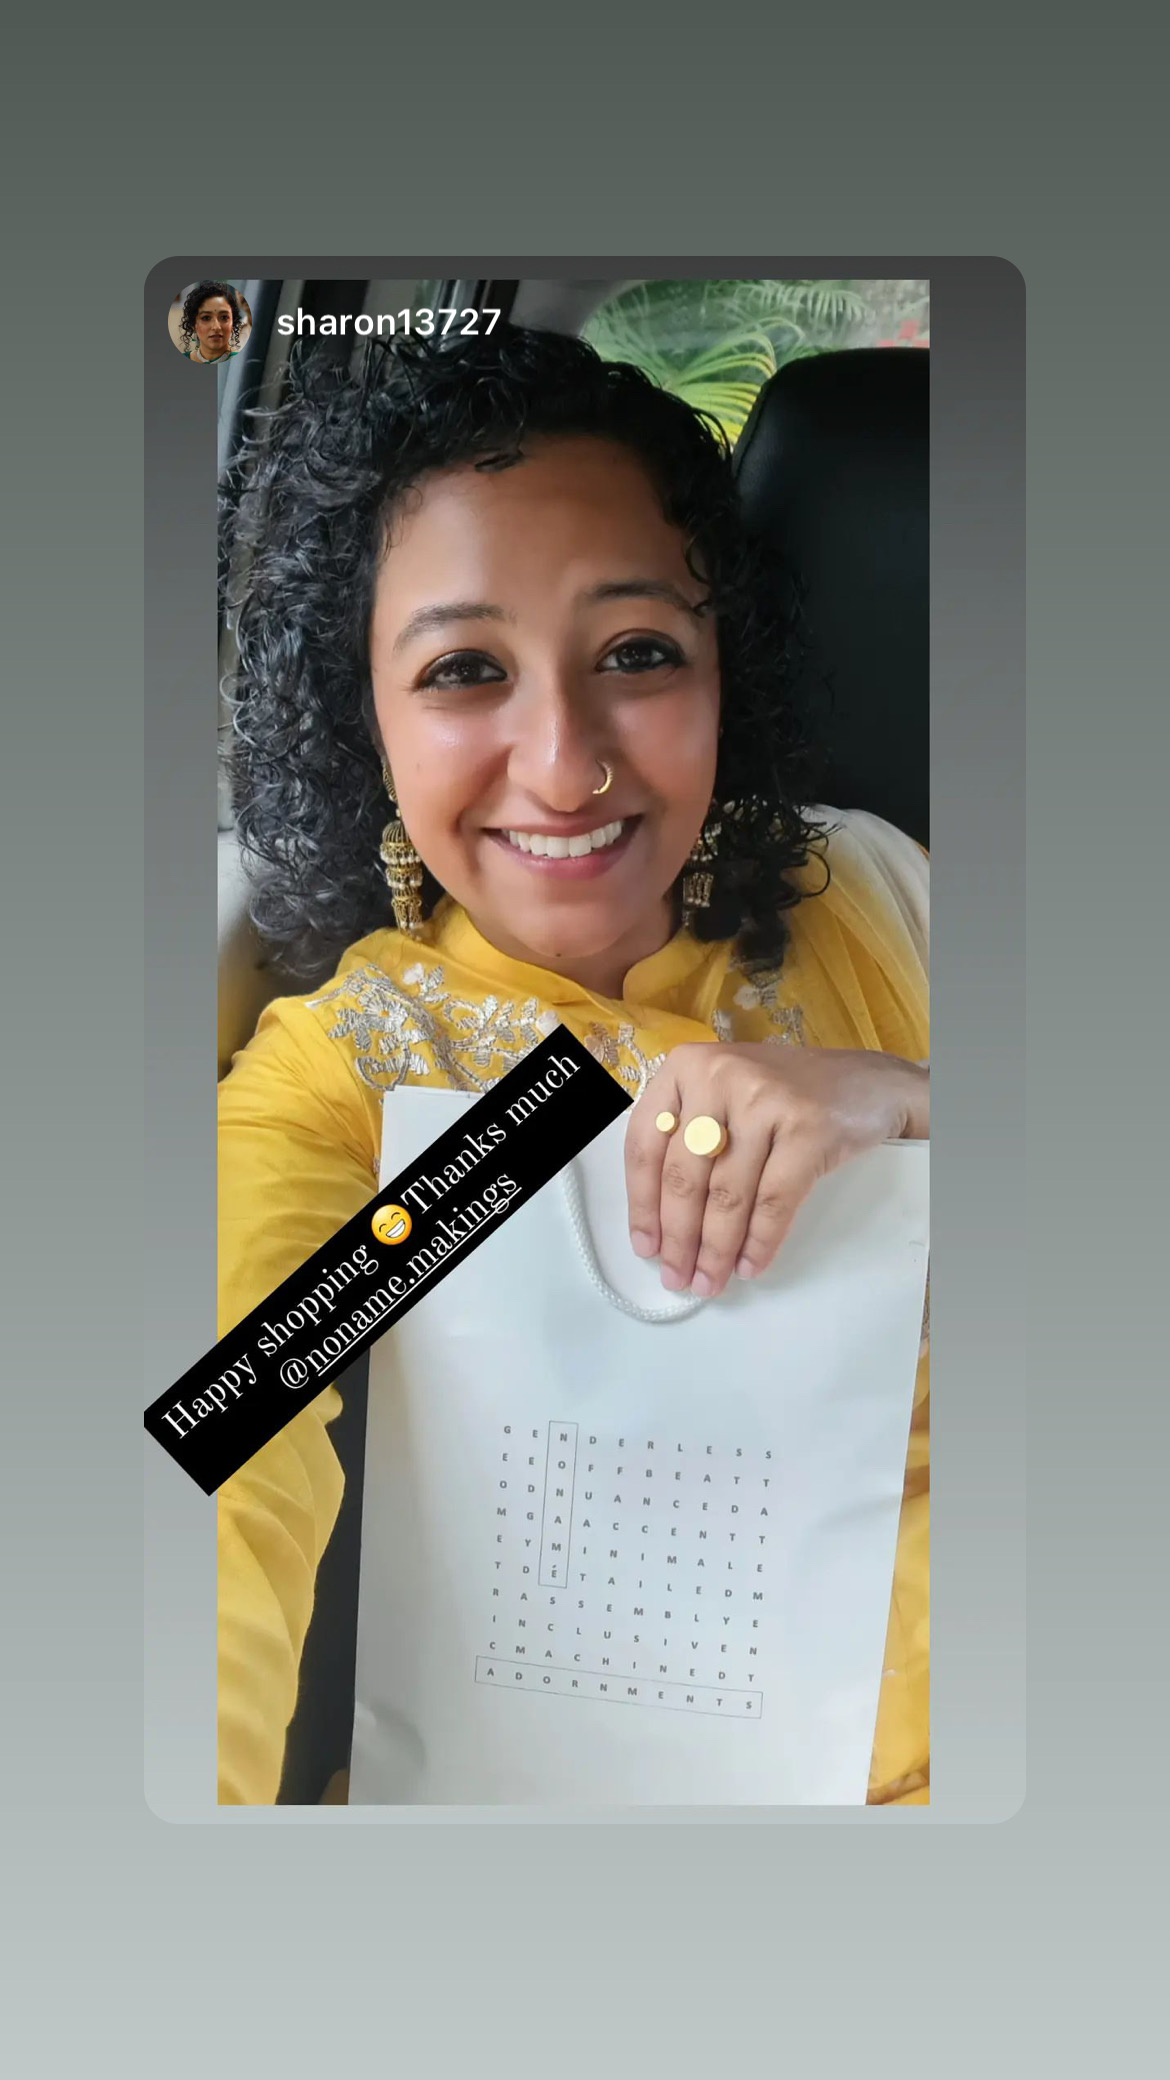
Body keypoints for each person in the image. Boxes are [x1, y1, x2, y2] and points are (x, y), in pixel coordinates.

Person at [217, 326, 930, 1806]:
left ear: (724, 668)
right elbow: (213, 1475)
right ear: (367, 720)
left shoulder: (873, 897)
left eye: (637, 654)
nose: (562, 765)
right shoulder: (357, 1083)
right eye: (463, 670)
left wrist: (914, 1108)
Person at [181, 279, 246, 363]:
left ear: (233, 322)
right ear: (193, 325)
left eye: (224, 317)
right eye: (206, 318)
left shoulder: (242, 363)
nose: (216, 327)